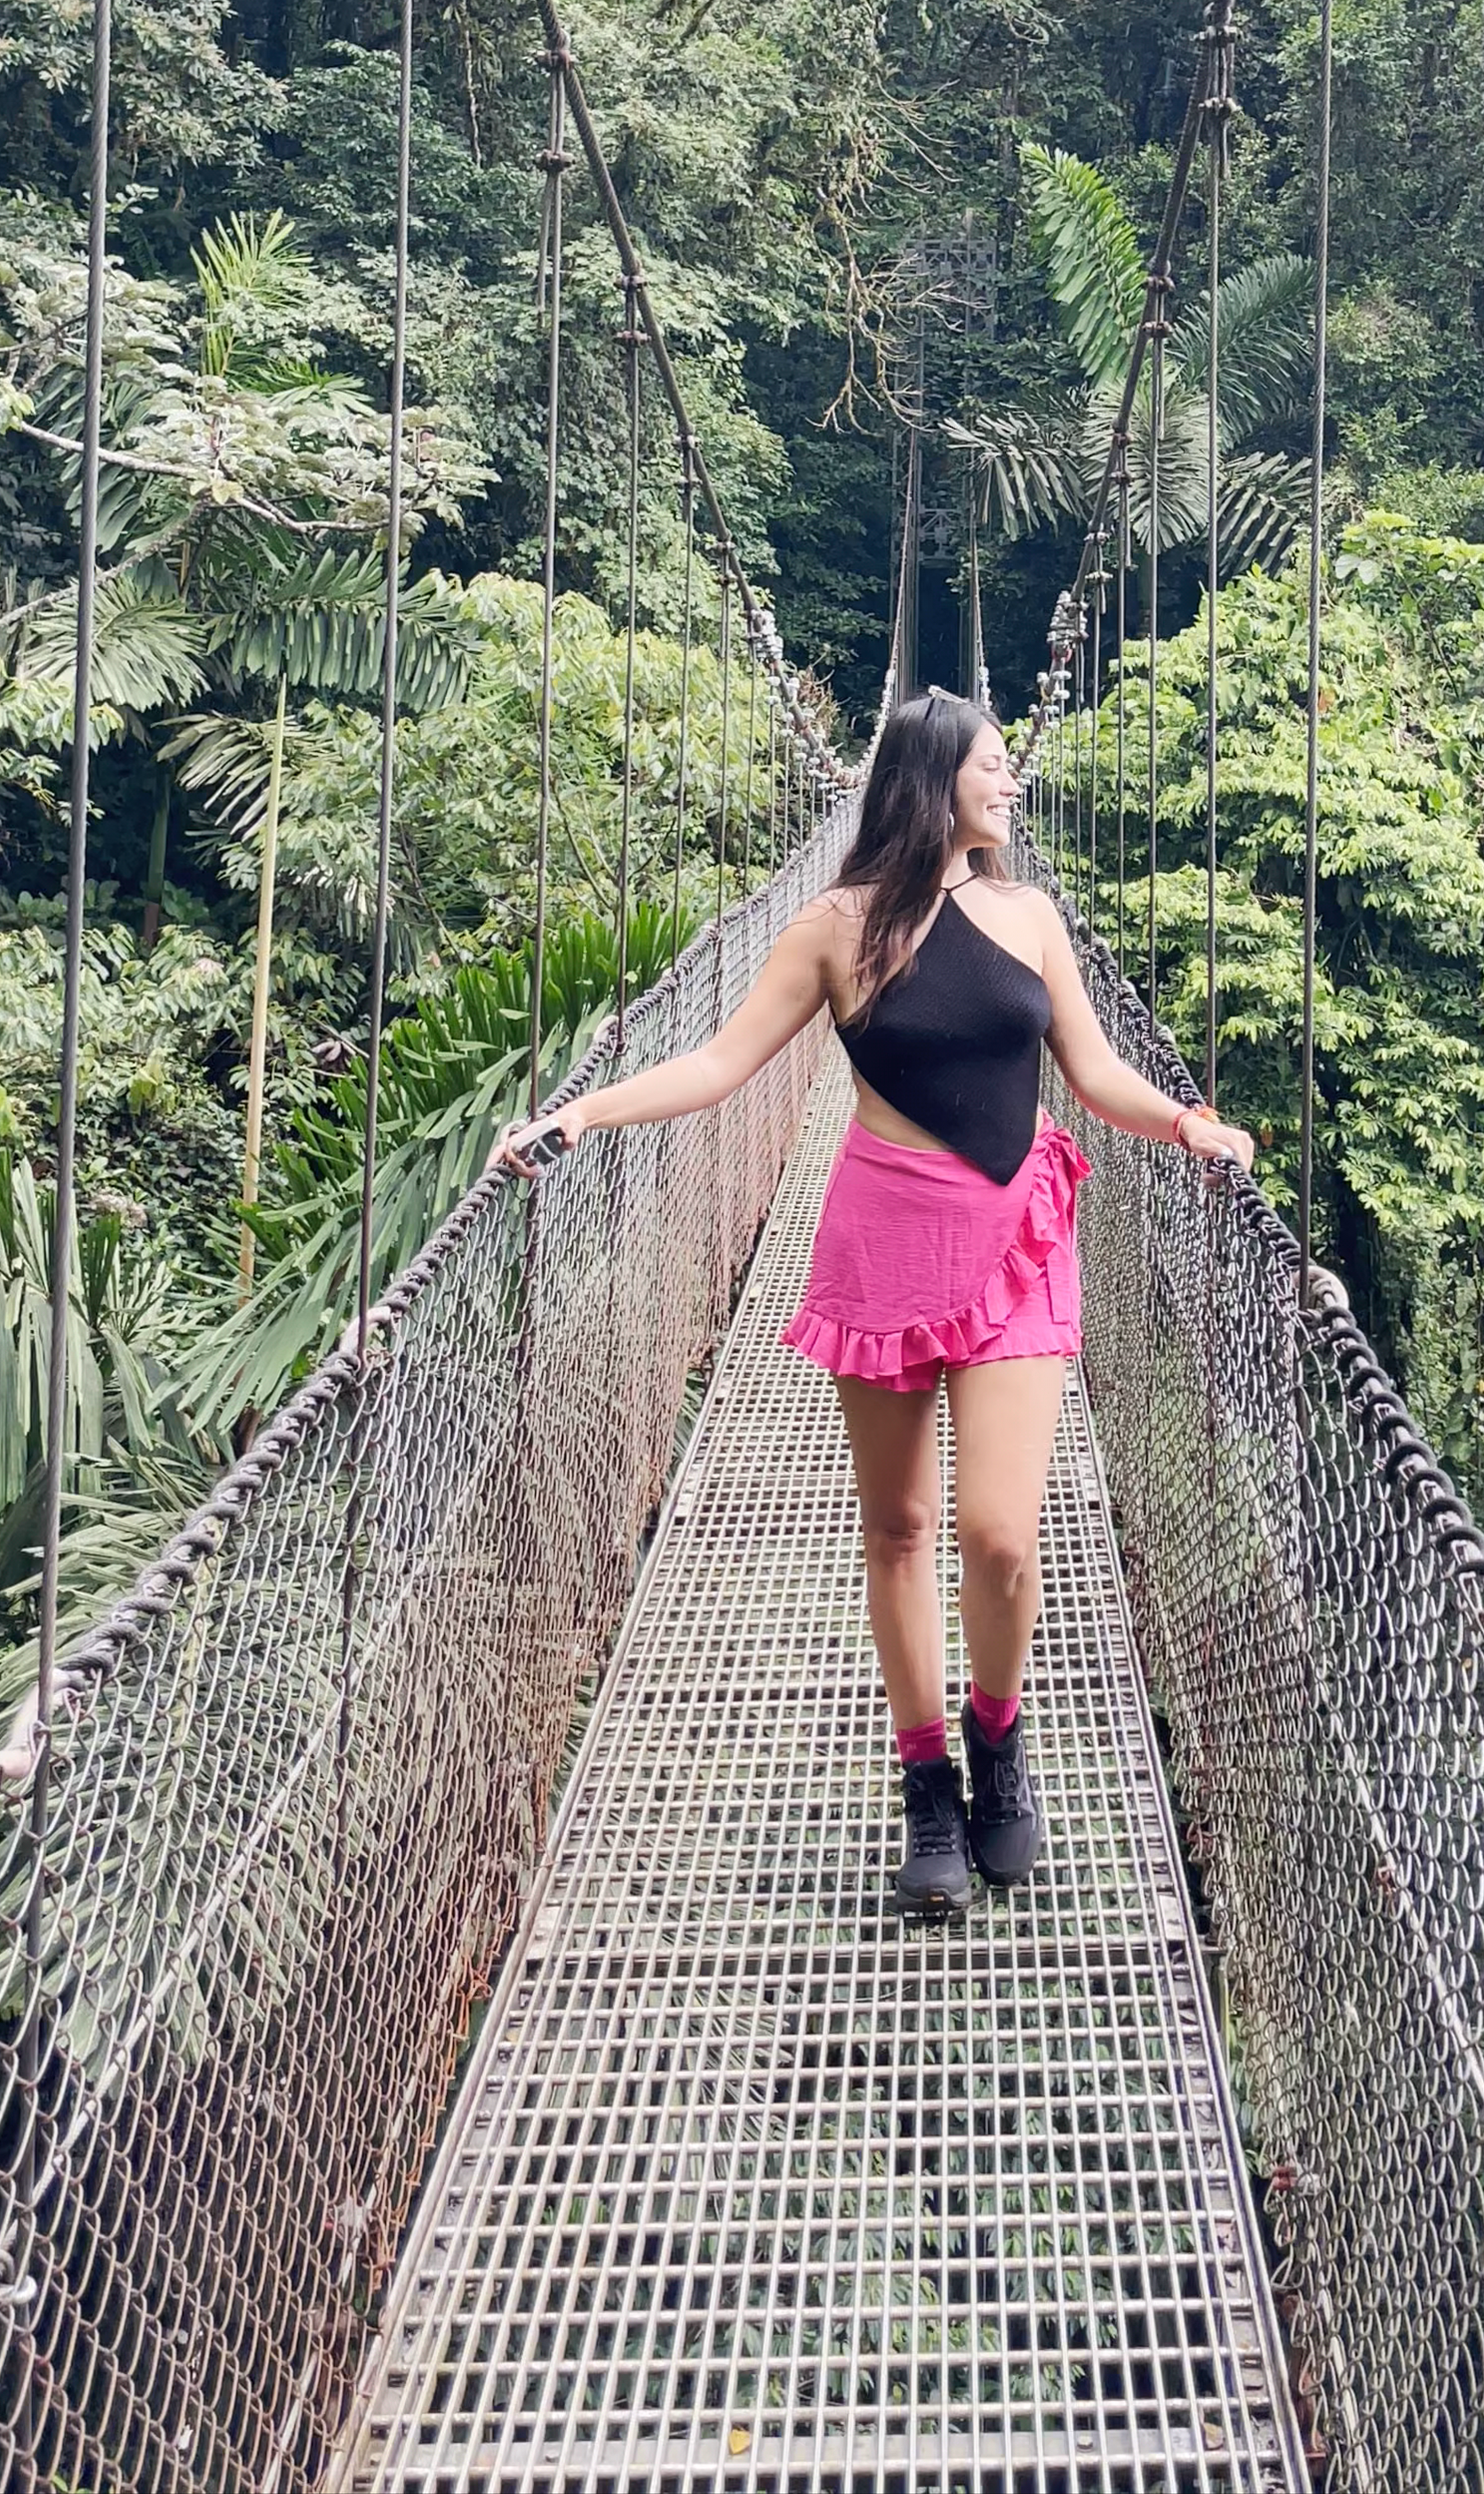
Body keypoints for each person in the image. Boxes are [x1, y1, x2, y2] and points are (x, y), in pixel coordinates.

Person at [492, 687, 1253, 1913]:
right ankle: (928, 1784)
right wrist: (582, 1113)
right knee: (898, 1527)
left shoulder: (1031, 915)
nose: (1011, 782)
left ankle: (999, 1735)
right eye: (993, 765)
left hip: (1015, 1235)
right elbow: (718, 1062)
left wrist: (1189, 1124)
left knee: (1000, 1533)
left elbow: (1095, 1068)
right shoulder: (836, 928)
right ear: (933, 779)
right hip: (884, 1241)